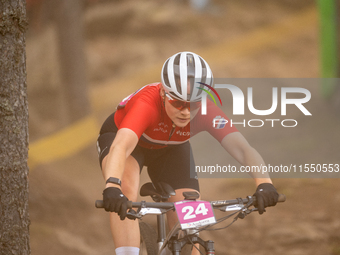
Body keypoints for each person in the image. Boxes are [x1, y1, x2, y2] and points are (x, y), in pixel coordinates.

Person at [97, 51, 279, 255]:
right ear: (164, 94)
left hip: (171, 147)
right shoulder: (146, 104)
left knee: (190, 210)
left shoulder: (207, 111)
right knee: (127, 186)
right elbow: (121, 146)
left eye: (193, 104)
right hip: (128, 141)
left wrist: (264, 183)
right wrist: (113, 186)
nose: (185, 111)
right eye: (178, 103)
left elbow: (243, 149)